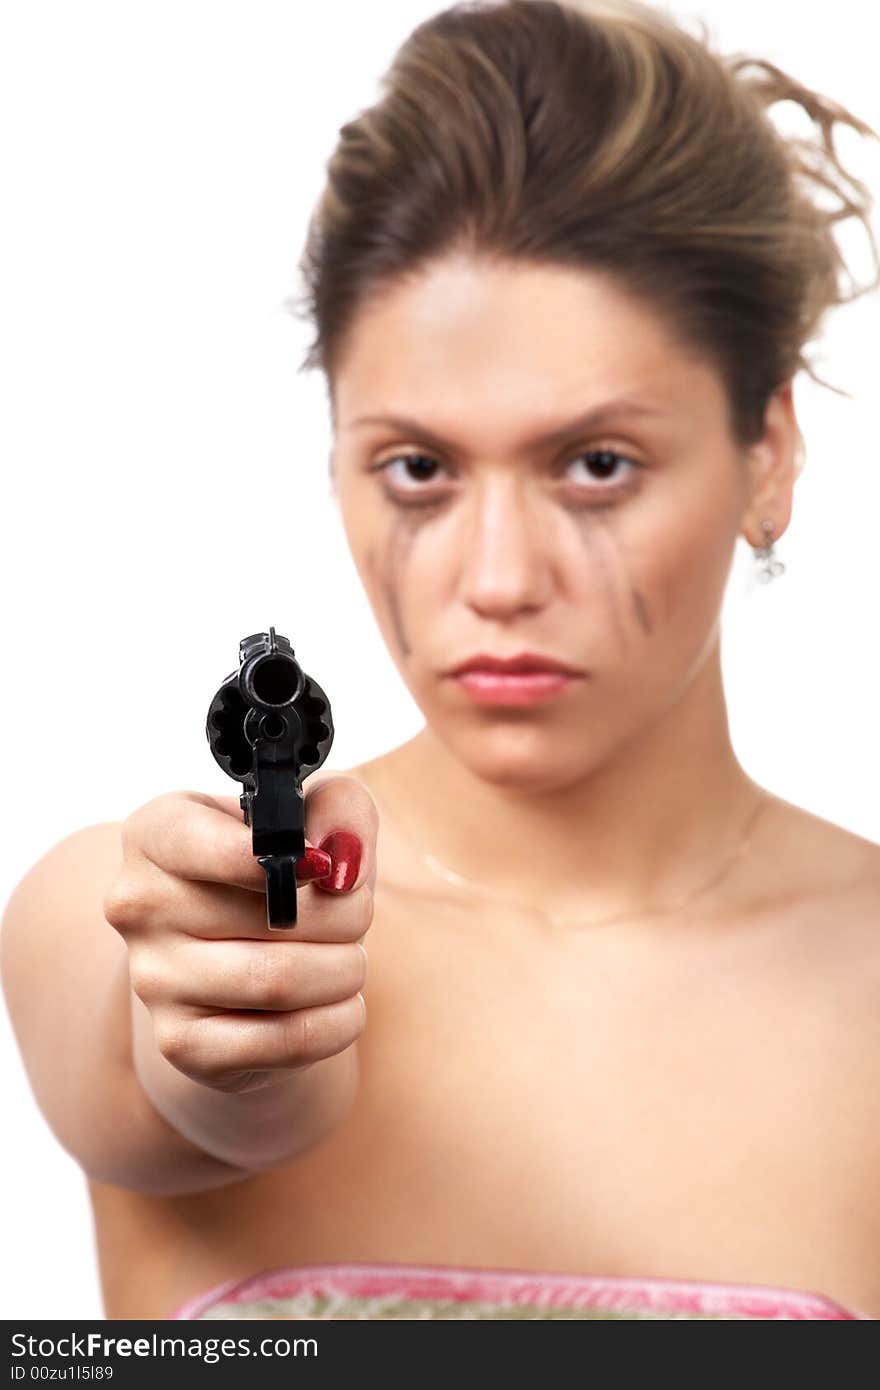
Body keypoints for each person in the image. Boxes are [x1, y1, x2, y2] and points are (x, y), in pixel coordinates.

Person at [2, 0, 879, 1322]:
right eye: (419, 468)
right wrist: (229, 1031)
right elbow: (187, 1071)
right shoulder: (146, 911)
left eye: (596, 465)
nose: (499, 578)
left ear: (770, 454)